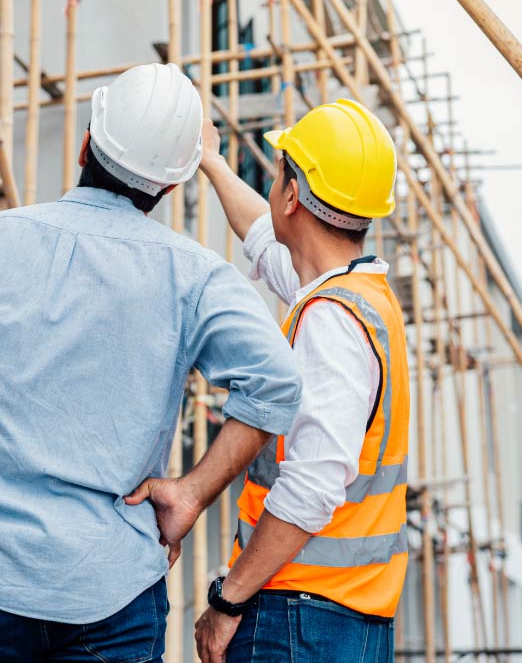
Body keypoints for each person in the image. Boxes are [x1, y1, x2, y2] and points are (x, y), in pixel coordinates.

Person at [0, 63, 302, 662]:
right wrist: (190, 493)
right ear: (171, 186)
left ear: (86, 143)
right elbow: (277, 384)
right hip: (115, 593)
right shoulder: (195, 275)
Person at [138, 99, 410, 663]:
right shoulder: (357, 296)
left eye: (280, 170)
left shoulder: (332, 320)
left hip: (300, 617)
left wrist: (228, 598)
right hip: (343, 617)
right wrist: (211, 162)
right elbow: (263, 238)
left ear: (292, 195)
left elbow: (311, 487)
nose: (273, 184)